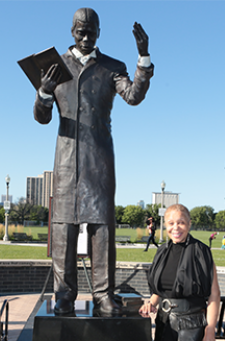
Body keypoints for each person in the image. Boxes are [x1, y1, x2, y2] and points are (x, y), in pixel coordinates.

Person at [33, 7, 154, 316]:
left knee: (102, 228)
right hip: (66, 161)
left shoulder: (111, 66)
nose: (86, 37)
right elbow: (42, 118)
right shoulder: (54, 67)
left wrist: (143, 58)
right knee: (63, 230)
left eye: (91, 31)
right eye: (80, 31)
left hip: (99, 159)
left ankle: (104, 295)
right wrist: (44, 93)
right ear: (72, 31)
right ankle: (64, 296)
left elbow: (133, 96)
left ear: (100, 32)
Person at [139, 204, 220, 341]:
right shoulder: (162, 251)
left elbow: (214, 295)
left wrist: (210, 331)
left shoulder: (201, 252)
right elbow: (162, 289)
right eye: (170, 223)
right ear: (165, 226)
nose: (176, 227)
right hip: (165, 326)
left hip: (192, 329)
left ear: (189, 223)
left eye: (181, 222)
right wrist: (151, 303)